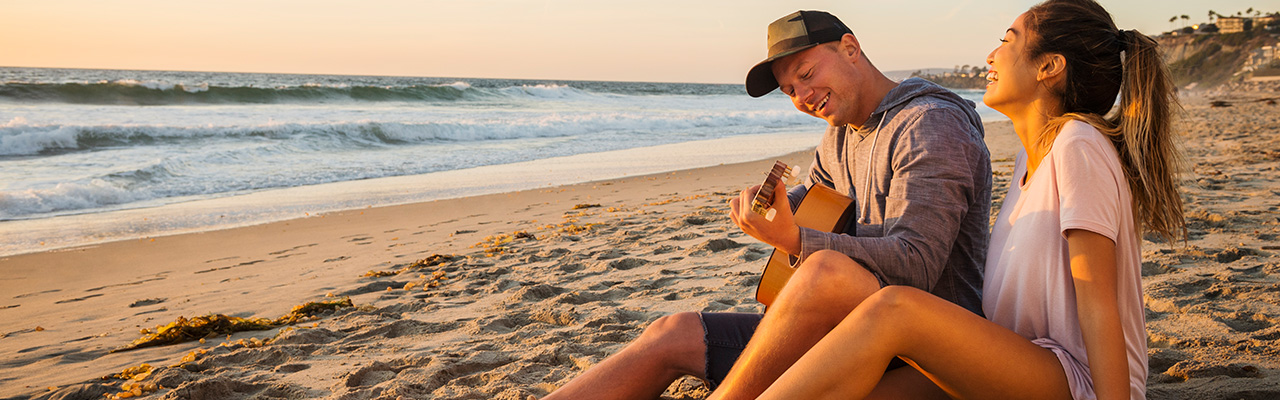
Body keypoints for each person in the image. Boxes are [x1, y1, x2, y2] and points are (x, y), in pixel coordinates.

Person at [542, 10, 992, 400]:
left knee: (822, 270)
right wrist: (770, 208)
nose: (801, 96)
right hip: (848, 328)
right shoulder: (841, 135)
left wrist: (796, 240)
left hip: (926, 348)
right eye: (789, 89)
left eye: (806, 73)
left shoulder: (929, 123)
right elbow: (817, 198)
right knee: (672, 333)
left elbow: (917, 262)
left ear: (850, 48)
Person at [750, 0, 1185, 399]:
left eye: (1007, 42)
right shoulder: (1029, 158)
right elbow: (822, 190)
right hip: (1013, 360)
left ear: (1049, 66)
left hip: (1076, 380)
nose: (991, 56)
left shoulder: (1078, 145)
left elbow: (1099, 304)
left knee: (895, 309)